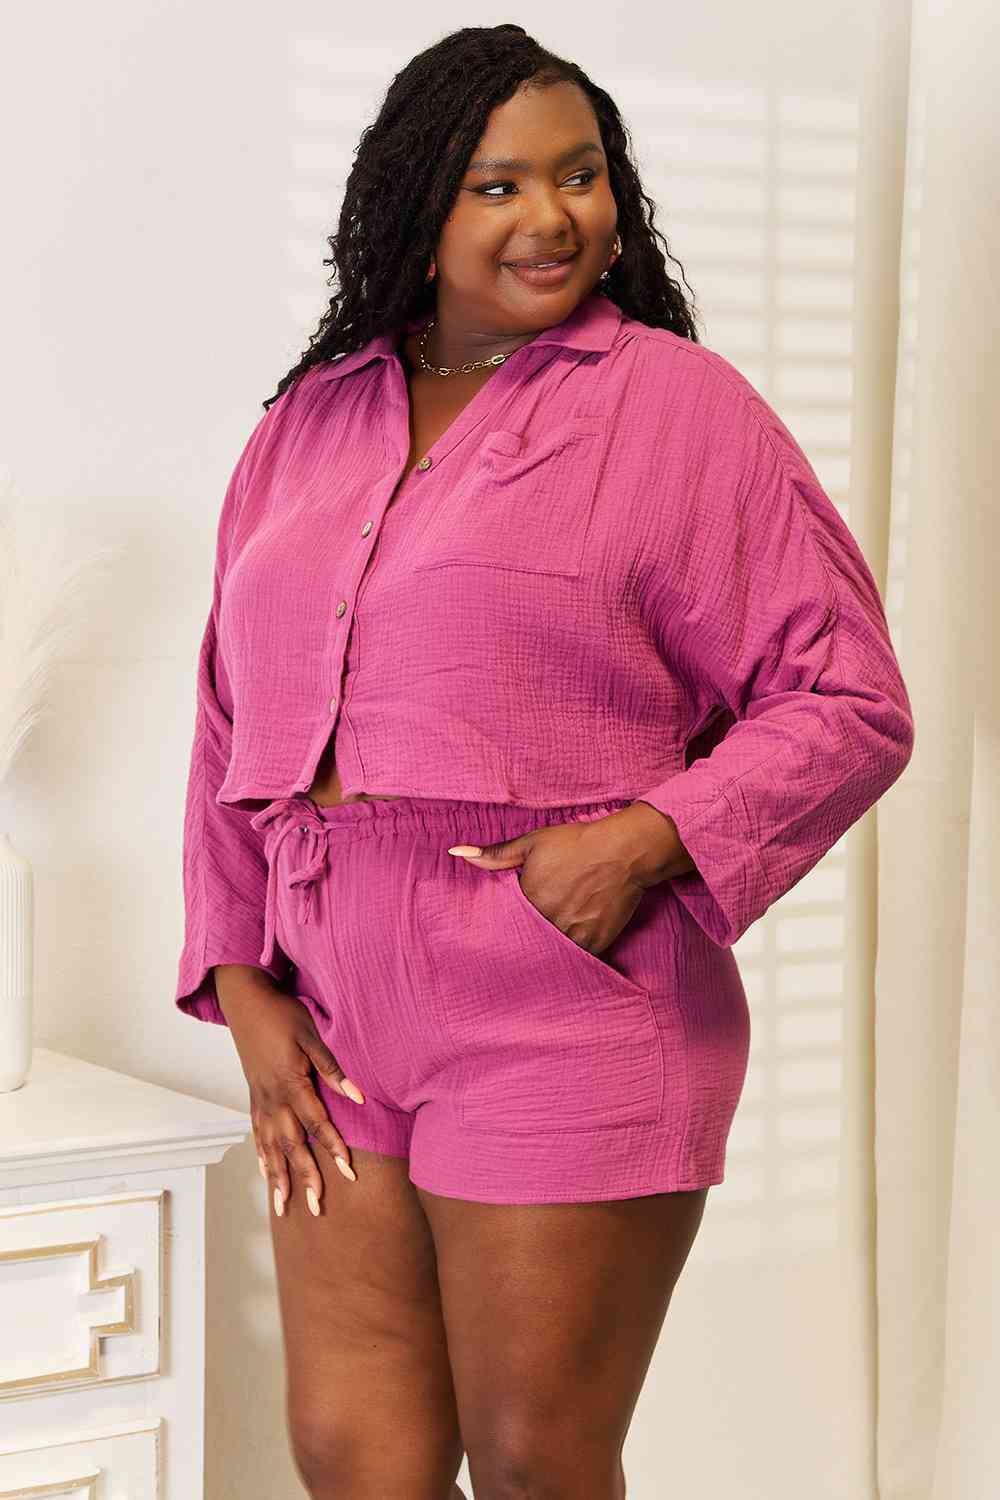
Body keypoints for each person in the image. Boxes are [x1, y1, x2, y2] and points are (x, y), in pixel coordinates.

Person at [173, 24, 915, 1500]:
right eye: (498, 185)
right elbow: (222, 722)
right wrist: (244, 988)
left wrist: (639, 844)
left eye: (580, 176)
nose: (552, 217)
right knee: (356, 1459)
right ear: (416, 204)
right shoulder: (308, 421)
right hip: (326, 1006)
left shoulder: (679, 409)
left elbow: (849, 697)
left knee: (535, 1461)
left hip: (562, 994)